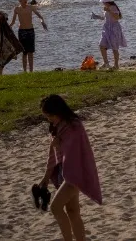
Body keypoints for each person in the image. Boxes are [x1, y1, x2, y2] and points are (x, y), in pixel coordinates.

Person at [40, 94, 102, 241]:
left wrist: (58, 143)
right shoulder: (57, 126)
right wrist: (46, 177)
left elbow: (76, 151)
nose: (49, 119)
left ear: (58, 112)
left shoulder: (74, 125)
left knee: (55, 207)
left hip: (75, 173)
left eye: (50, 116)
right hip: (63, 172)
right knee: (73, 211)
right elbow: (55, 155)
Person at [13, 0, 47, 73]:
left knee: (30, 52)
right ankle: (25, 71)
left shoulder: (31, 7)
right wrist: (8, 27)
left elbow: (40, 16)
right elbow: (13, 22)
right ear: (19, 0)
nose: (25, 1)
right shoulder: (17, 9)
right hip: (22, 32)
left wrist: (42, 22)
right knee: (24, 53)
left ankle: (31, 71)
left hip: (30, 31)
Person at [91, 0, 126, 70]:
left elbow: (117, 17)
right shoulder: (107, 7)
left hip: (114, 29)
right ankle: (106, 63)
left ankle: (116, 66)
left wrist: (109, 10)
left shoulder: (113, 7)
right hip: (106, 29)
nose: (102, 3)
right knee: (101, 45)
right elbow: (104, 18)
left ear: (106, 1)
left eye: (103, 2)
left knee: (115, 48)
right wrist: (95, 16)